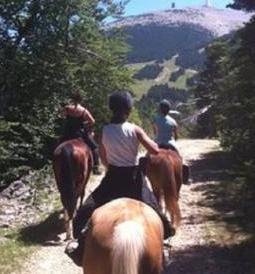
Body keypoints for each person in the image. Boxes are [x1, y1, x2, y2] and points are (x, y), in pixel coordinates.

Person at [65, 90, 175, 267]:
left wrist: (110, 166)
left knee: (85, 212)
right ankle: (163, 244)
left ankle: (79, 247)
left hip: (113, 179)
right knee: (157, 213)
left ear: (111, 109)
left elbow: (102, 156)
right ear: (129, 110)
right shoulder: (135, 129)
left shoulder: (106, 130)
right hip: (134, 180)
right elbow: (154, 150)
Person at [60, 91, 101, 175]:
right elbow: (92, 121)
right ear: (81, 100)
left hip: (67, 133)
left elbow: (61, 115)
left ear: (73, 99)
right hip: (80, 134)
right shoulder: (84, 111)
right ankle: (96, 167)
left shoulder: (67, 108)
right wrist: (85, 124)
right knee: (94, 147)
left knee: (58, 146)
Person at [152, 99, 190, 184]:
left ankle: (143, 173)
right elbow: (176, 136)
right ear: (168, 110)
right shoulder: (173, 121)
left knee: (147, 156)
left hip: (158, 142)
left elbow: (155, 132)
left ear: (160, 109)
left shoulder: (155, 119)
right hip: (170, 143)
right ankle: (184, 176)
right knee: (180, 157)